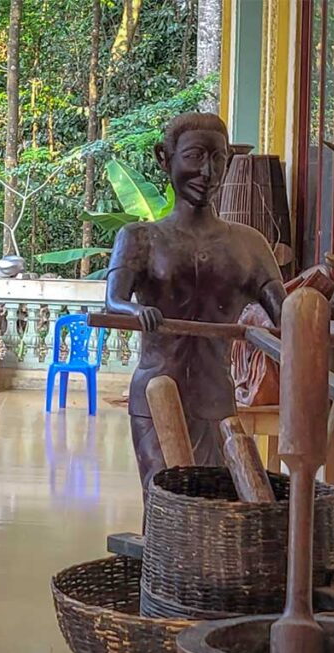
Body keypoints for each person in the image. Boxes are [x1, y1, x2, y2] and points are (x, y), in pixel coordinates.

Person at [104, 113, 287, 499]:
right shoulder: (140, 238)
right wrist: (137, 312)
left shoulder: (249, 245)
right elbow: (113, 301)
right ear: (164, 158)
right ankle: (160, 560)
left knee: (211, 507)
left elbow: (286, 317)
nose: (208, 171)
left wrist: (309, 324)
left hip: (216, 398)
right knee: (163, 502)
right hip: (156, 391)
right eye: (194, 156)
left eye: (219, 159)